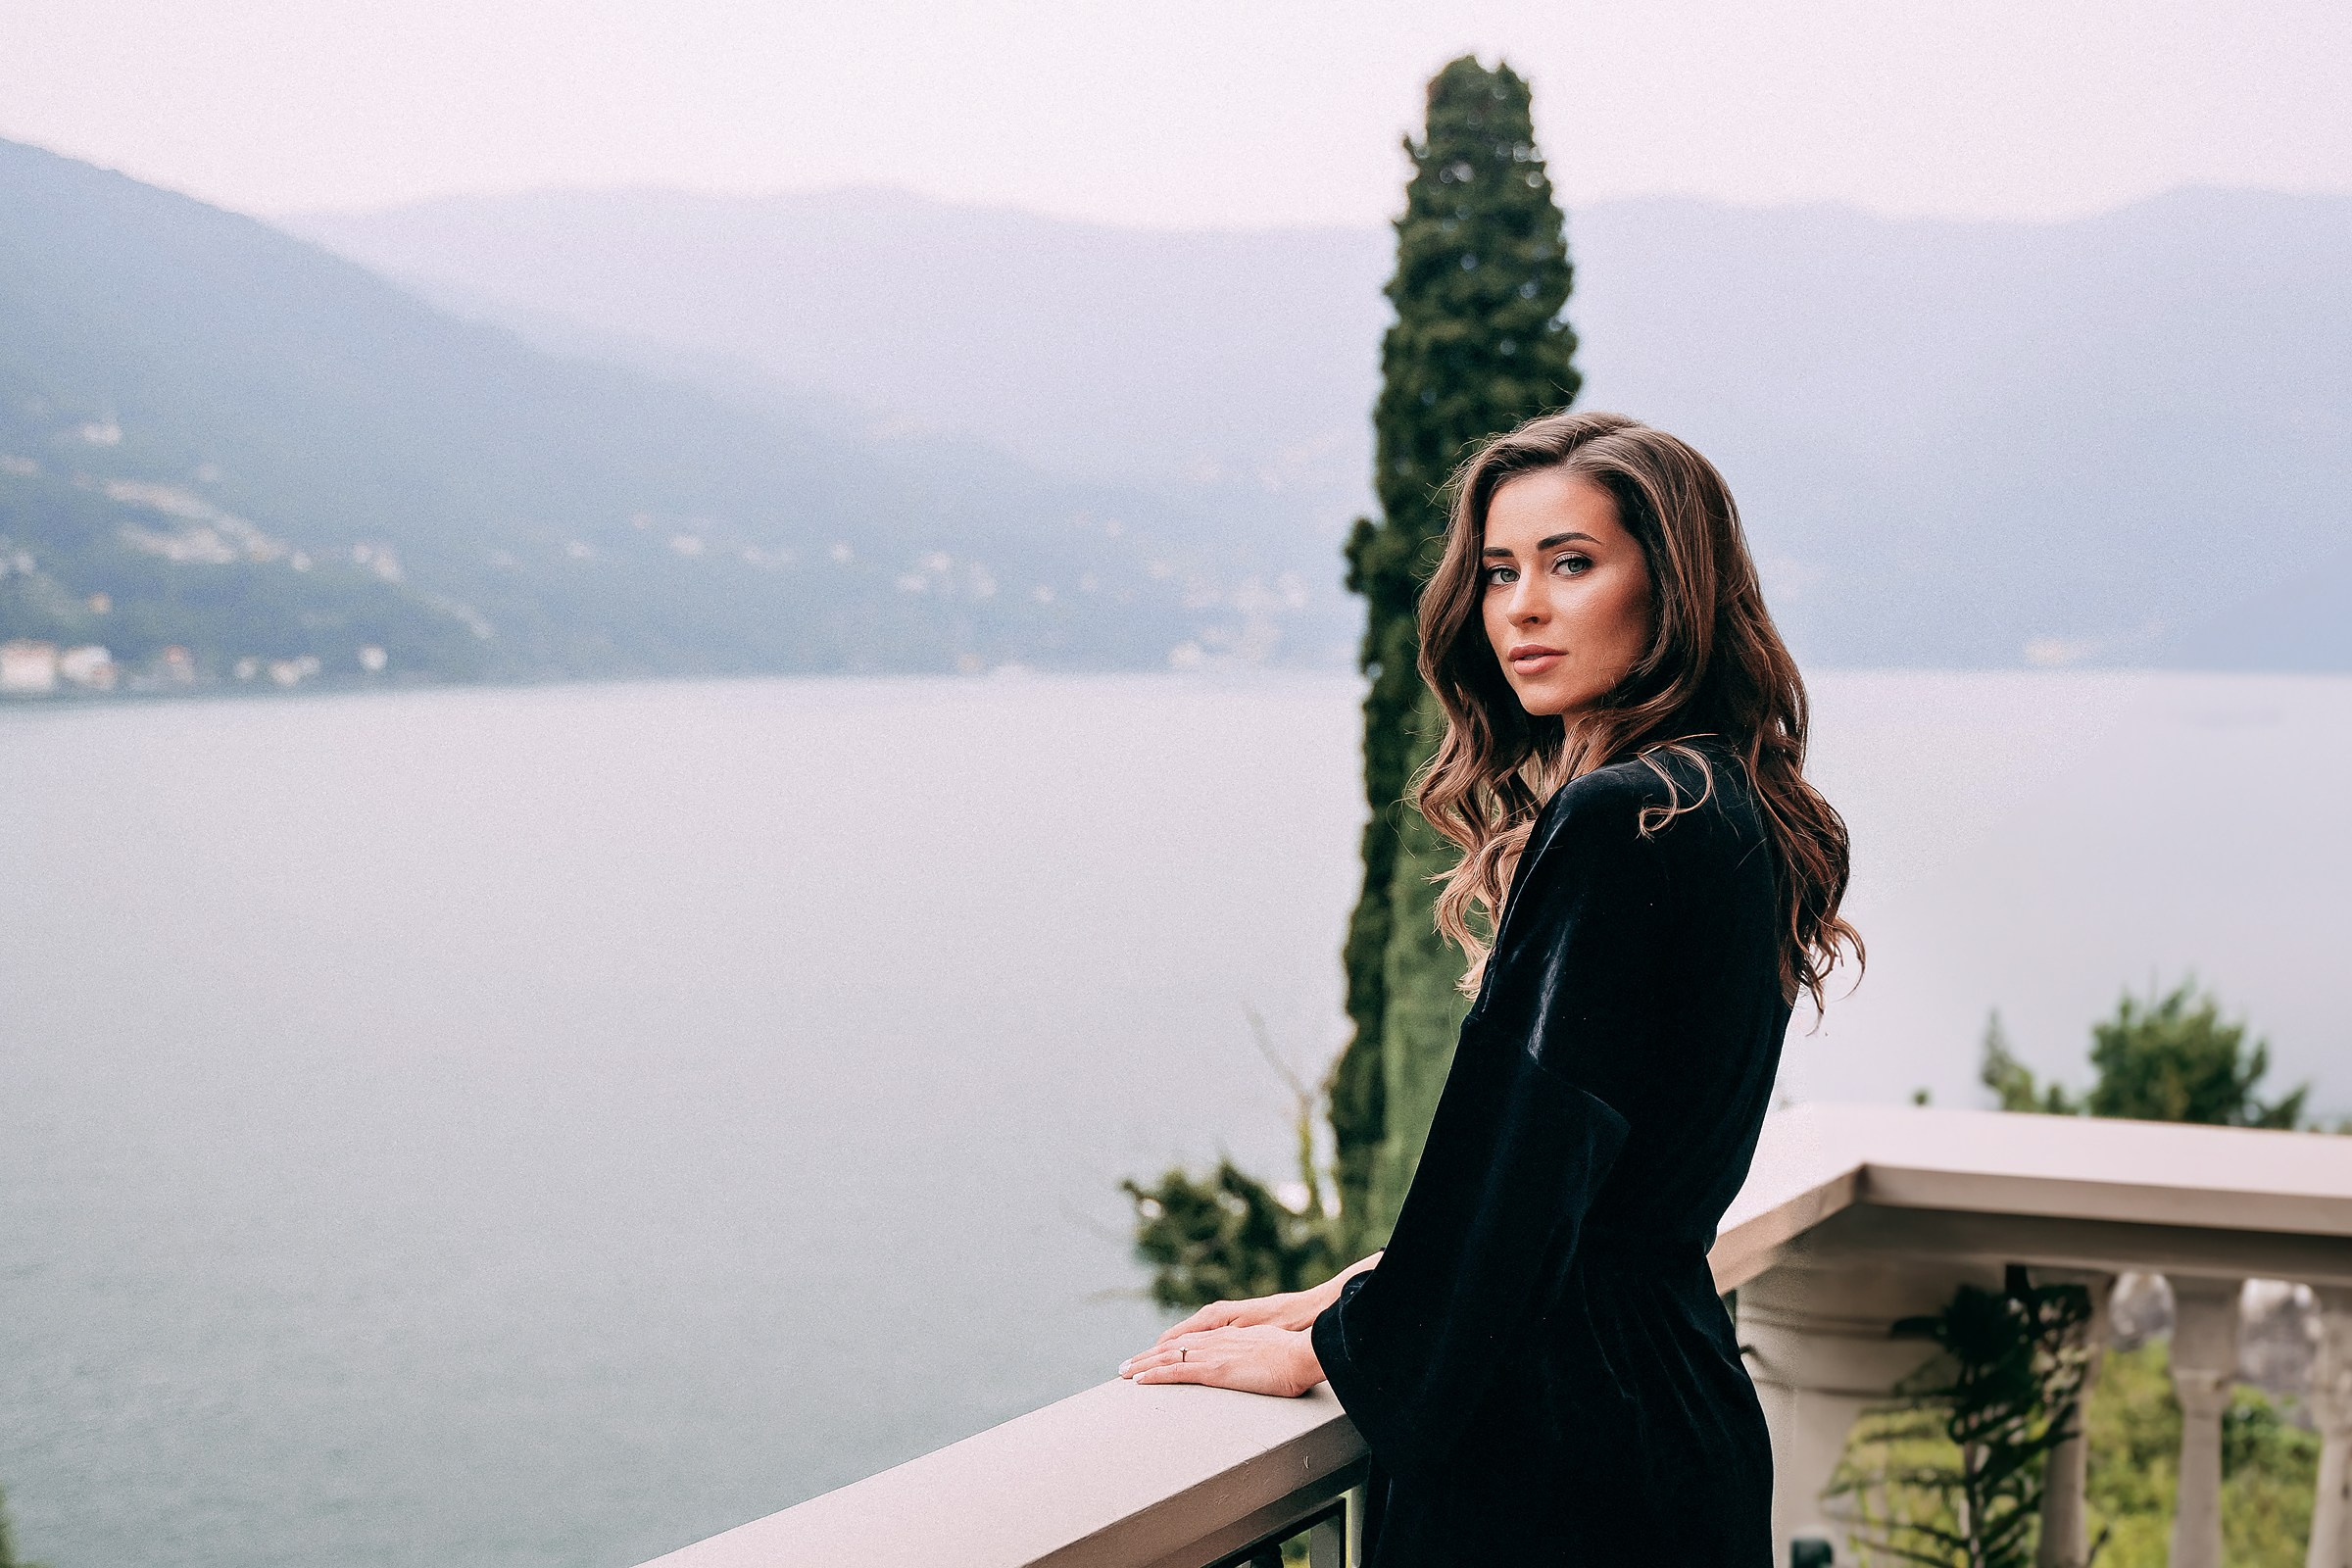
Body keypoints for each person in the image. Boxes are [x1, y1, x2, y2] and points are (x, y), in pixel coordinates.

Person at [1116, 411, 1861, 1564]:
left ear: (1673, 587)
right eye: (1501, 572)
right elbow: (1590, 1186)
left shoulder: (1623, 817)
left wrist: (1333, 1346)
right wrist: (1365, 1289)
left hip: (1568, 1464)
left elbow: (1525, 1162)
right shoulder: (1726, 803)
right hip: (1677, 1421)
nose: (1520, 608)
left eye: (1572, 563)